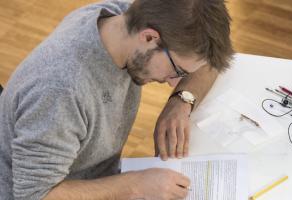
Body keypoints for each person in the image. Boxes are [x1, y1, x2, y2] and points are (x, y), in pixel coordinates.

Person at [0, 0, 233, 199]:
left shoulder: (127, 16)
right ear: (150, 37)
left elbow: (208, 62)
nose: (174, 83)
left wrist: (180, 101)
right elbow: (34, 194)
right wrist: (136, 185)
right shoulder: (61, 90)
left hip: (97, 177)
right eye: (177, 71)